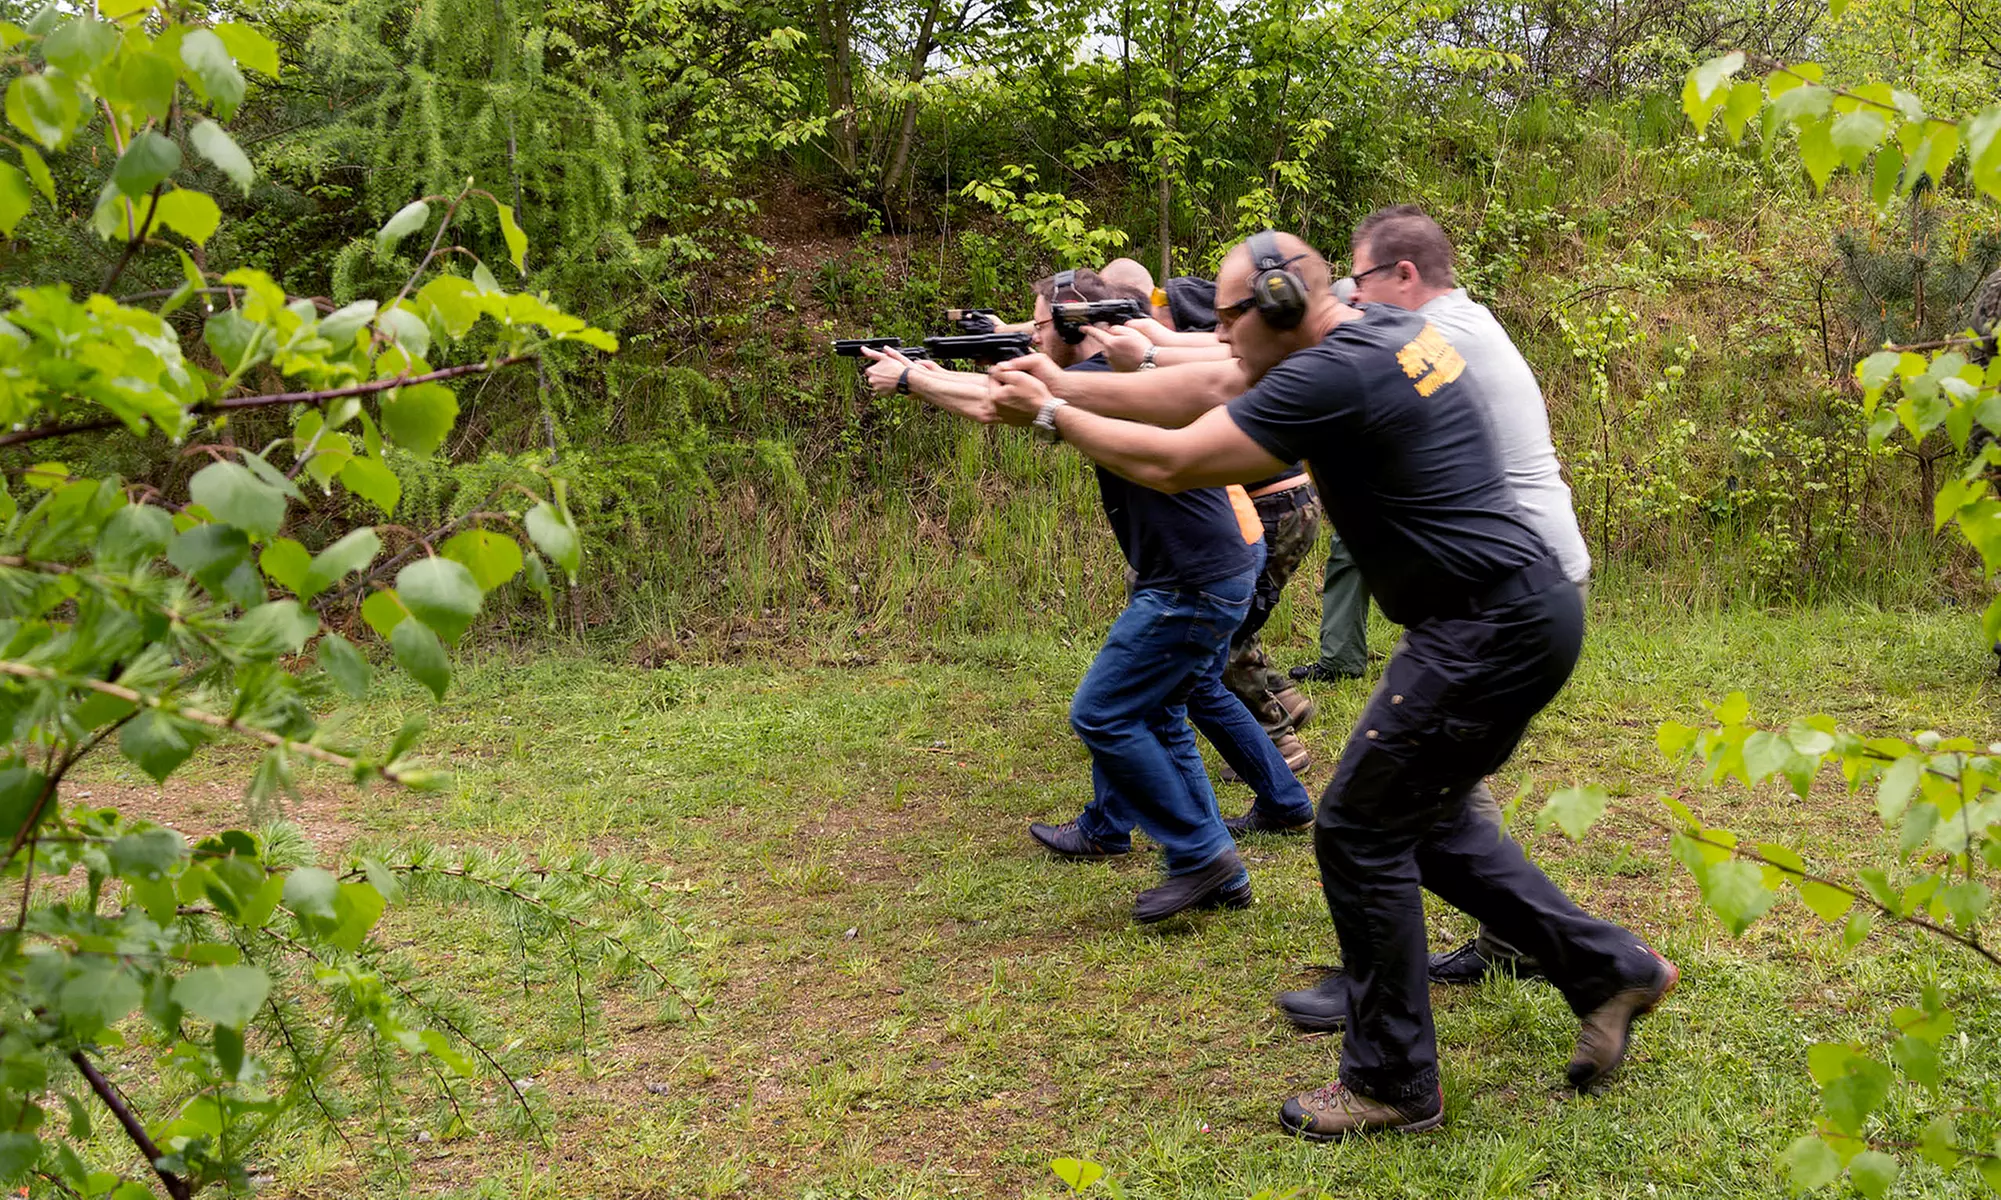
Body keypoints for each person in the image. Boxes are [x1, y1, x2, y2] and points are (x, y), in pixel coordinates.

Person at [986, 230, 1676, 1138]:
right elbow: (1208, 384)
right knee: (1428, 824)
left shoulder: (1332, 373)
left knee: (1355, 831)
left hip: (1484, 627)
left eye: (1227, 316)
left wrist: (1049, 414)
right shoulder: (1371, 331)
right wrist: (1066, 383)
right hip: (1505, 612)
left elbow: (1174, 459)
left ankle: (1392, 1080)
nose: (1216, 333)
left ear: (1277, 304)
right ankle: (1606, 969)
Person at [865, 268, 1296, 920]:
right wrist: (923, 374)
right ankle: (1213, 863)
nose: (1032, 336)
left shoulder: (1102, 379)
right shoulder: (1107, 377)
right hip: (1206, 569)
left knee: (1104, 713)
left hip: (1191, 580)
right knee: (1164, 711)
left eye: (1040, 324)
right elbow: (1000, 395)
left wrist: (911, 379)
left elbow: (994, 402)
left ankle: (1202, 856)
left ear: (1074, 326)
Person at [1333, 205, 1596, 985]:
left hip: (1513, 585)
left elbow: (1335, 354)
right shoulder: (1451, 327)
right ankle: (1517, 938)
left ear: (1402, 273)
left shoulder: (1440, 335)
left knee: (1402, 783)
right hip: (1503, 578)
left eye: (1359, 279)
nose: (1354, 294)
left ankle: (1553, 950)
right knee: (1436, 772)